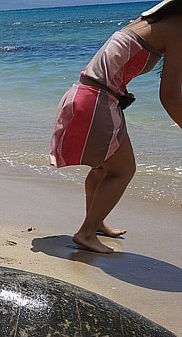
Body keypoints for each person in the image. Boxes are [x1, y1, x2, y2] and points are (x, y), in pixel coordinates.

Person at [49, 0, 182, 254]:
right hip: (98, 99)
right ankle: (86, 232)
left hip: (84, 94)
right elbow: (170, 96)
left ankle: (95, 223)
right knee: (123, 170)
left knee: (102, 168)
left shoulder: (148, 23)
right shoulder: (177, 30)